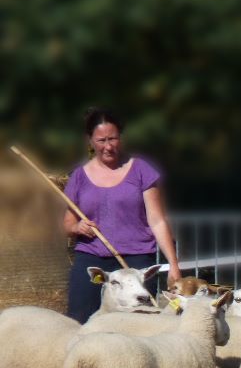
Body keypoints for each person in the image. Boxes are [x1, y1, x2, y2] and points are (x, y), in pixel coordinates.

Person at [62, 107, 182, 323]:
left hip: (135, 260)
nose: (108, 146)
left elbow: (157, 220)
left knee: (140, 322)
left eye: (113, 138)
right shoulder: (79, 177)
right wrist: (77, 227)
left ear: (121, 138)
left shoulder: (141, 170)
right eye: (101, 140)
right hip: (92, 257)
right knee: (79, 320)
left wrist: (173, 264)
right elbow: (67, 224)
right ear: (90, 141)